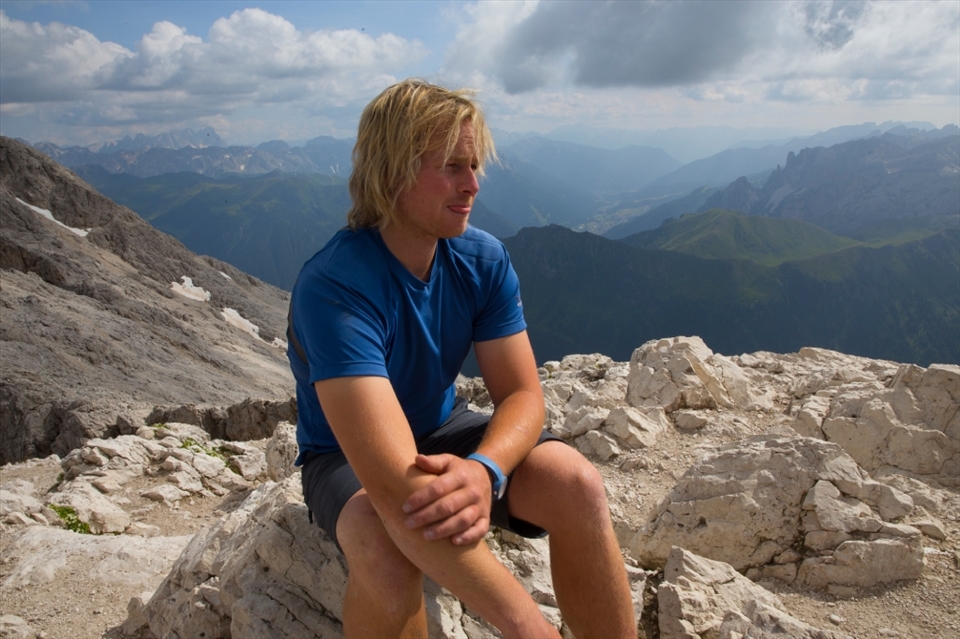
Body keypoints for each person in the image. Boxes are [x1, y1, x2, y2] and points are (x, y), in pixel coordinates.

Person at [288, 78, 635, 638]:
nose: (472, 184)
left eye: (473, 165)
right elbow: (395, 486)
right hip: (342, 456)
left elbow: (521, 394)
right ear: (392, 172)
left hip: (441, 426)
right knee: (385, 548)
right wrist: (528, 628)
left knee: (576, 483)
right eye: (451, 166)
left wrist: (485, 469)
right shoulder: (335, 286)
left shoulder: (482, 258)